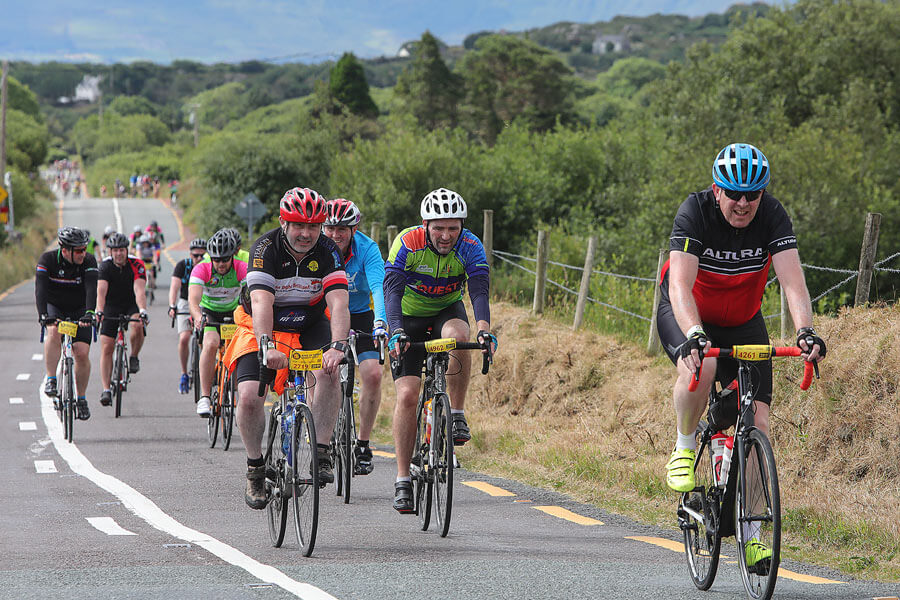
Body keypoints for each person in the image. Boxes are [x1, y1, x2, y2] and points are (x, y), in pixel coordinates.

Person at [657, 143, 826, 567]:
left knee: (758, 425)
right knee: (705, 362)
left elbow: (792, 282)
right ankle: (683, 443)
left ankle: (751, 533)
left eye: (753, 194)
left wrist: (805, 331)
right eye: (735, 194)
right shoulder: (694, 212)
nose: (744, 203)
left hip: (744, 320)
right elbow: (679, 284)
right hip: (688, 312)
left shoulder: (772, 215)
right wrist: (694, 333)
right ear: (717, 191)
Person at [224, 187, 349, 509]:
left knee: (329, 371)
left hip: (308, 322)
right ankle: (255, 468)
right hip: (263, 325)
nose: (306, 233)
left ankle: (321, 451)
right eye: (298, 225)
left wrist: (337, 346)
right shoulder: (265, 248)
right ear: (283, 222)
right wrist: (266, 346)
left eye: (313, 226)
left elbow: (338, 301)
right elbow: (261, 303)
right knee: (251, 396)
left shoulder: (327, 250)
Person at [384, 187, 497, 513]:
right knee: (407, 395)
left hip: (446, 310)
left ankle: (457, 414)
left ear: (461, 226)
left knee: (460, 336)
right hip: (406, 317)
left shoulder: (471, 246)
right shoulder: (407, 243)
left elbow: (478, 288)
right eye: (439, 228)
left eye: (453, 227)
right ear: (425, 225)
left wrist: (484, 330)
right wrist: (395, 332)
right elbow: (391, 290)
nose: (446, 235)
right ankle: (403, 478)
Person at [322, 198, 387, 475]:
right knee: (327, 373)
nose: (336, 235)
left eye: (343, 229)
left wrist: (382, 321)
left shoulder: (368, 249)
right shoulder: (318, 248)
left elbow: (378, 286)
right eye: (331, 228)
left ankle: (362, 443)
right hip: (325, 314)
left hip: (360, 314)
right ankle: (321, 434)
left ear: (354, 228)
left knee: (372, 374)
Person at [35, 227, 99, 420]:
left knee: (81, 352)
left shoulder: (88, 261)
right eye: (78, 250)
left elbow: (91, 289)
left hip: (79, 308)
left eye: (84, 249)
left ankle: (81, 398)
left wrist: (89, 313)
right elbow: (40, 290)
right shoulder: (47, 260)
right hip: (55, 307)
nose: (83, 253)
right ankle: (52, 379)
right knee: (54, 332)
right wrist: (43, 315)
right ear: (65, 250)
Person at [188, 229, 247, 417]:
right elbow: (193, 301)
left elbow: (253, 296)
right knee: (211, 343)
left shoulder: (242, 268)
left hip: (234, 312)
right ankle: (204, 397)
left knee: (240, 348)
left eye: (225, 259)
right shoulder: (202, 269)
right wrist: (198, 317)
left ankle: (237, 390)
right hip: (210, 312)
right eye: (217, 259)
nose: (221, 264)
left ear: (233, 256)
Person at [95, 232, 149, 407]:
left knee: (138, 325)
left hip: (130, 304)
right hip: (111, 305)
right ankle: (106, 389)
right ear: (110, 252)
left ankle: (133, 356)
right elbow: (101, 292)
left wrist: (142, 310)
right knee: (106, 347)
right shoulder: (105, 266)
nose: (119, 253)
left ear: (127, 250)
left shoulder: (137, 264)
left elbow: (139, 290)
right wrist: (99, 311)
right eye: (115, 250)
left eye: (122, 250)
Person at [168, 238, 207, 394]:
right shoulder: (182, 266)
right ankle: (184, 373)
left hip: (204, 302)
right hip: (185, 302)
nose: (198, 259)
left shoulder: (210, 267)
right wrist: (172, 305)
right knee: (184, 338)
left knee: (206, 339)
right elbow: (174, 287)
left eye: (202, 256)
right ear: (190, 254)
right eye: (195, 255)